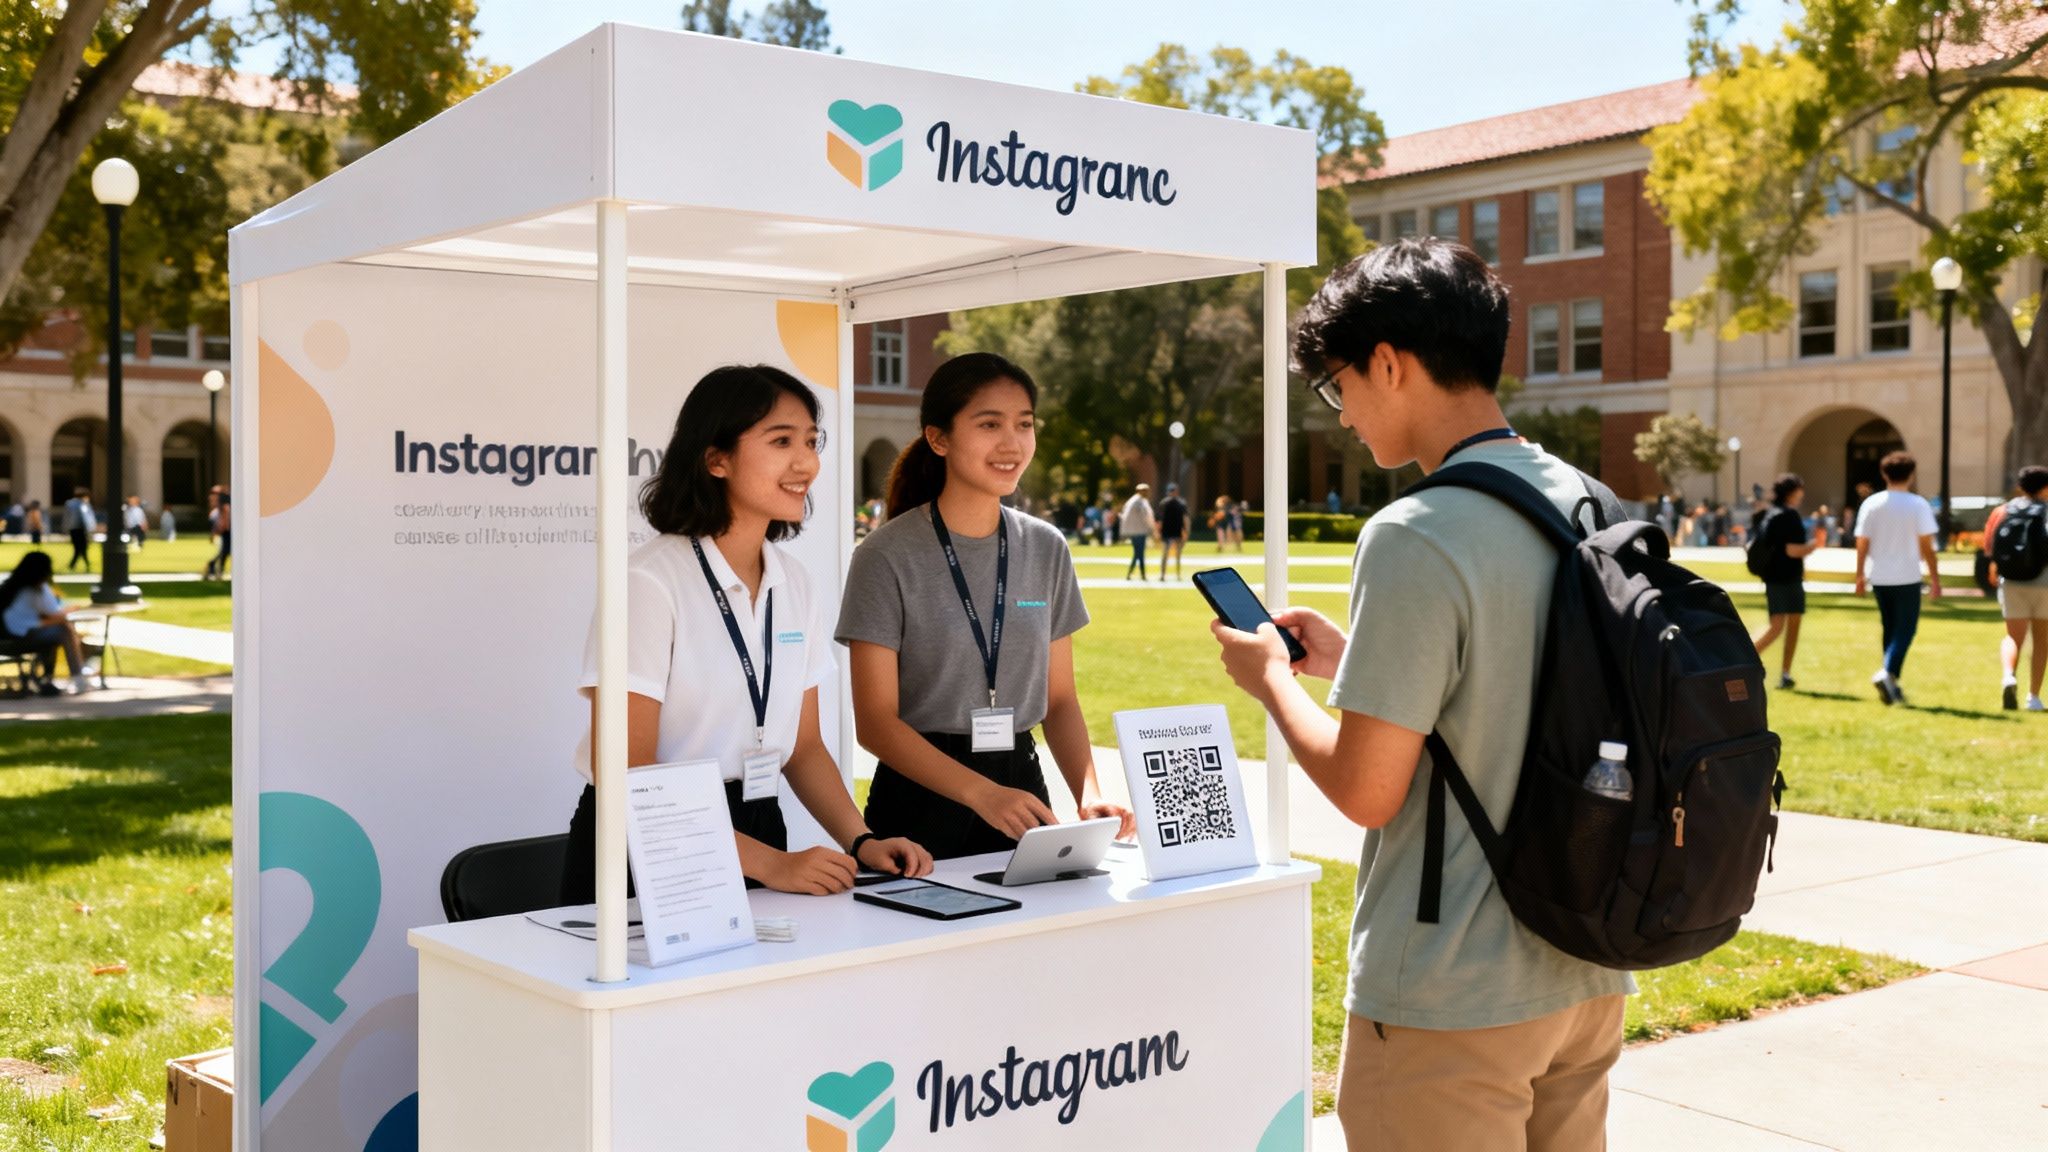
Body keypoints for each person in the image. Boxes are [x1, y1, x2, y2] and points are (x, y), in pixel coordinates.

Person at [1209, 239, 1632, 1149]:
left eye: (1339, 385)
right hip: (1588, 963)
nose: (1343, 415)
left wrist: (1273, 682)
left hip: (1453, 987)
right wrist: (1358, 658)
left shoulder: (1416, 533)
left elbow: (1367, 789)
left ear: (1389, 364)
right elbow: (1530, 687)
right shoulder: (1594, 502)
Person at [558, 364, 932, 904]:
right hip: (650, 839)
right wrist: (772, 865)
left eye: (811, 440)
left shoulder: (795, 582)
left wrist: (861, 840)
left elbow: (802, 747)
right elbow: (627, 771)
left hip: (757, 823)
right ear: (716, 459)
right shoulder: (647, 582)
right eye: (781, 441)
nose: (806, 461)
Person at [839, 352, 1133, 860]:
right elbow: (875, 723)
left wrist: (1090, 793)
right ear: (939, 438)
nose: (1012, 443)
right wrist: (981, 794)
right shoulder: (884, 556)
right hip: (919, 799)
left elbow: (1059, 700)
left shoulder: (1046, 547)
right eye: (990, 424)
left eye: (1024, 424)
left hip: (1021, 789)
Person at [1854, 451, 1942, 706]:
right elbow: (1927, 545)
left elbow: (1862, 542)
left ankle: (1890, 680)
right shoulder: (1917, 505)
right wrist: (1935, 578)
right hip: (1907, 576)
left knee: (1890, 628)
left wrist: (1859, 574)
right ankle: (1887, 673)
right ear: (1911, 475)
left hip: (1879, 576)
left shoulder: (1871, 504)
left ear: (1884, 474)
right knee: (1905, 629)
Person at [1985, 465, 2048, 711]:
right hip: (2044, 581)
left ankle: (2009, 675)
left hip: (2011, 579)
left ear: (2020, 487)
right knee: (2042, 640)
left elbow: (1990, 546)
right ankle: (2034, 697)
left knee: (2013, 636)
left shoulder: (2003, 511)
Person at [1750, 474, 1819, 690]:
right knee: (1780, 627)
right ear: (1792, 492)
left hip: (1773, 577)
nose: (1802, 494)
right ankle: (1749, 660)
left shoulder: (1770, 514)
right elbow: (1792, 550)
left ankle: (1783, 673)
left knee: (1779, 626)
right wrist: (1814, 545)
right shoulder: (1789, 516)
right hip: (1787, 578)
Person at [0, 551, 94, 695]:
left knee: (59, 630)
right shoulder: (37, 590)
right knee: (64, 631)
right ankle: (77, 675)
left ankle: (55, 677)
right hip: (20, 639)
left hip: (7, 639)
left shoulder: (11, 587)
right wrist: (73, 609)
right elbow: (55, 614)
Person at [1119, 483, 1155, 581]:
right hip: (1139, 532)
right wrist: (1152, 529)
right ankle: (1141, 574)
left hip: (1135, 531)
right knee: (1140, 553)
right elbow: (1146, 517)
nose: (1147, 493)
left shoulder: (1133, 501)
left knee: (1137, 553)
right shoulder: (1139, 502)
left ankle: (1131, 573)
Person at [1156, 482, 1189, 580]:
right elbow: (1160, 519)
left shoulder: (1180, 503)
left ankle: (1177, 574)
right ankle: (1163, 575)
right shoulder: (1164, 503)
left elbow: (1185, 518)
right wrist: (1158, 532)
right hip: (1167, 531)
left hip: (1177, 531)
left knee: (1177, 554)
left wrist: (1185, 531)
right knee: (1165, 553)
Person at [61, 488, 94, 572]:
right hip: (81, 529)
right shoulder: (83, 504)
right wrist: (90, 529)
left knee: (79, 548)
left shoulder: (69, 504)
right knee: (81, 548)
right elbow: (86, 518)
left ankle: (74, 565)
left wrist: (65, 528)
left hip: (73, 529)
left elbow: (66, 518)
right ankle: (82, 565)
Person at [203, 487, 232, 579]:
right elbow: (224, 515)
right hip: (226, 530)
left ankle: (215, 567)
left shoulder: (224, 499)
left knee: (226, 551)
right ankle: (216, 567)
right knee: (226, 550)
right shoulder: (224, 499)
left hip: (227, 529)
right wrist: (223, 527)